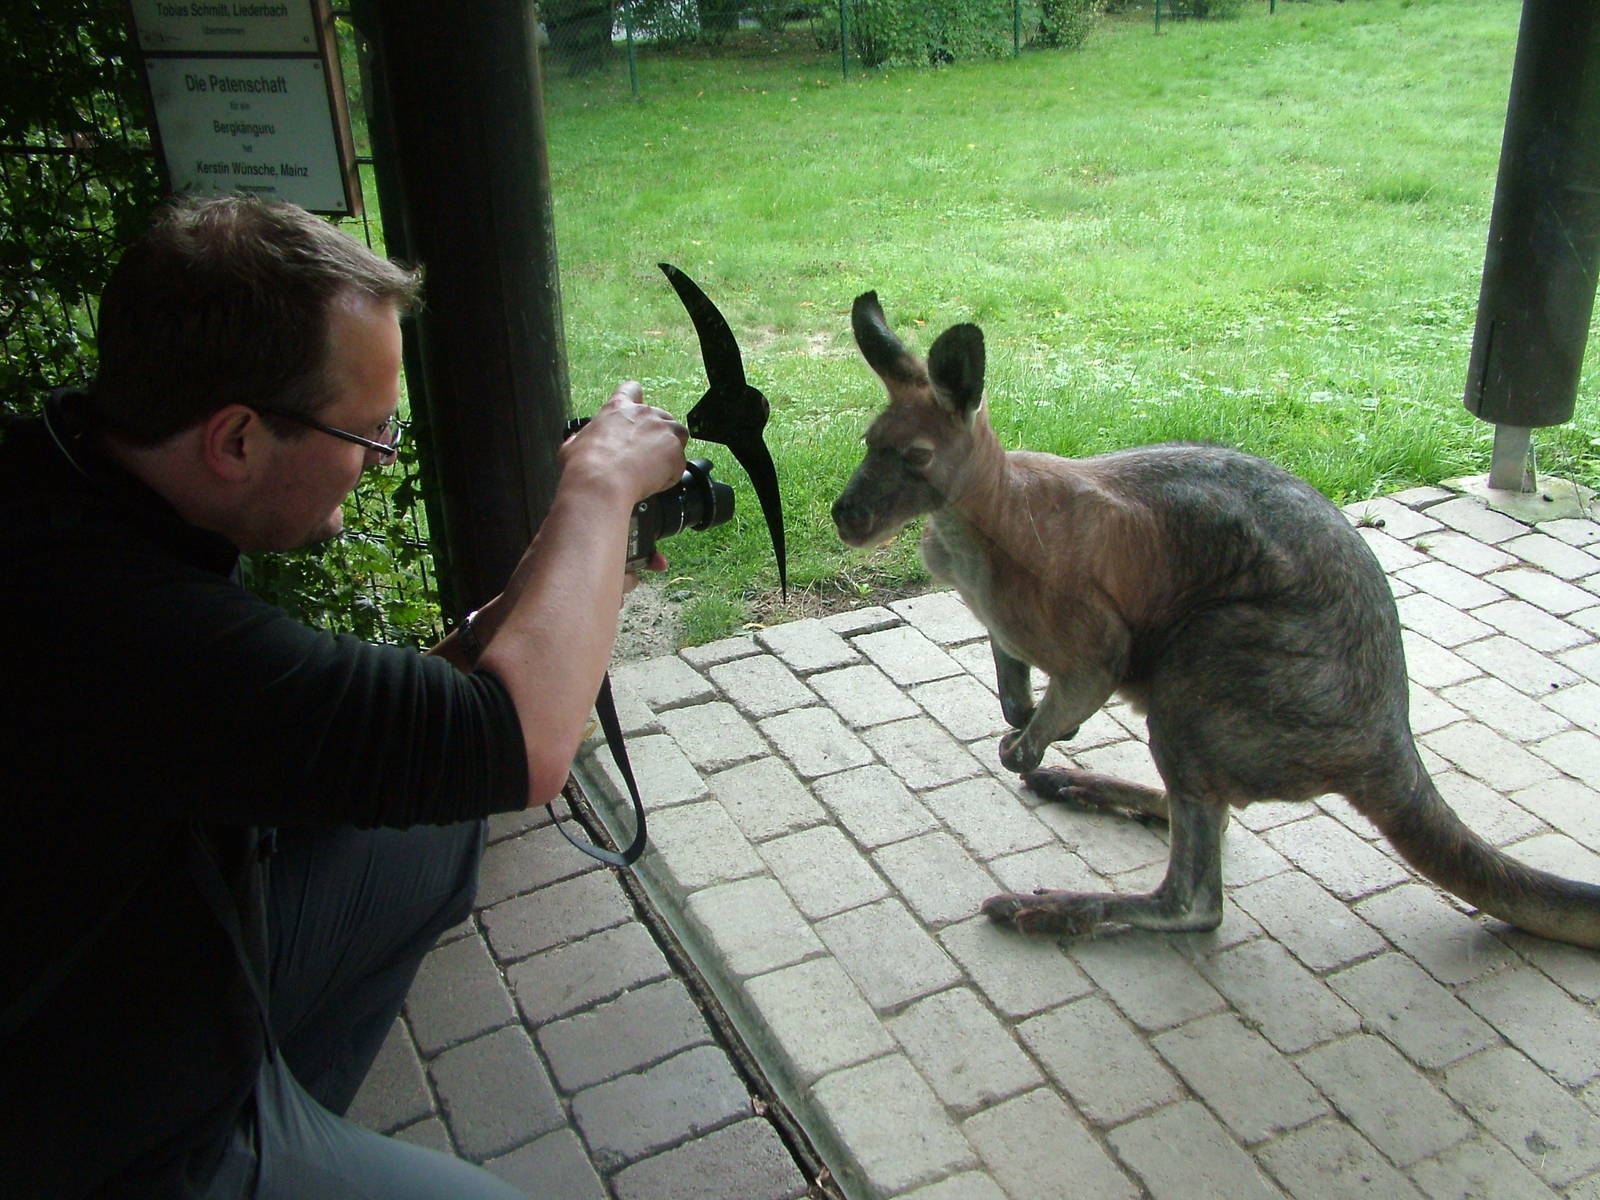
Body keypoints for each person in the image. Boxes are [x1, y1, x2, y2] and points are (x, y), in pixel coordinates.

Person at [0, 195, 688, 1198]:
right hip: (94, 1124)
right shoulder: (128, 627)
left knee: (432, 831)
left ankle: (287, 1116)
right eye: (367, 432)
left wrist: (570, 573)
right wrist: (599, 489)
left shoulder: (71, 480)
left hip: (160, 956)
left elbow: (441, 732)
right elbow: (525, 750)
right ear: (235, 439)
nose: (380, 460)